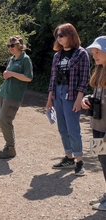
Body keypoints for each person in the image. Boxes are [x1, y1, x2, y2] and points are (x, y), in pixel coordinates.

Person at [46, 23, 90, 176]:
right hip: (58, 92)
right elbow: (53, 78)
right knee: (62, 128)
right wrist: (49, 98)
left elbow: (84, 79)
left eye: (61, 35)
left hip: (72, 94)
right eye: (56, 36)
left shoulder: (81, 54)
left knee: (73, 129)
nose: (58, 38)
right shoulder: (57, 55)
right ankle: (68, 157)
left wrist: (79, 99)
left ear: (70, 35)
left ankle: (79, 161)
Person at [0, 35, 33, 159]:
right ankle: (8, 147)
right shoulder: (11, 59)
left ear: (19, 45)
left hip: (14, 95)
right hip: (4, 93)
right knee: (4, 121)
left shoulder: (25, 59)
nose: (10, 48)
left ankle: (11, 148)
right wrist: (8, 75)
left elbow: (28, 77)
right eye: (9, 46)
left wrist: (11, 73)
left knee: (4, 119)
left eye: (12, 45)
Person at [81, 36, 106, 210]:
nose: (94, 55)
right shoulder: (99, 72)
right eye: (93, 52)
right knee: (102, 160)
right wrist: (88, 98)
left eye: (98, 51)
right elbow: (99, 96)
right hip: (97, 125)